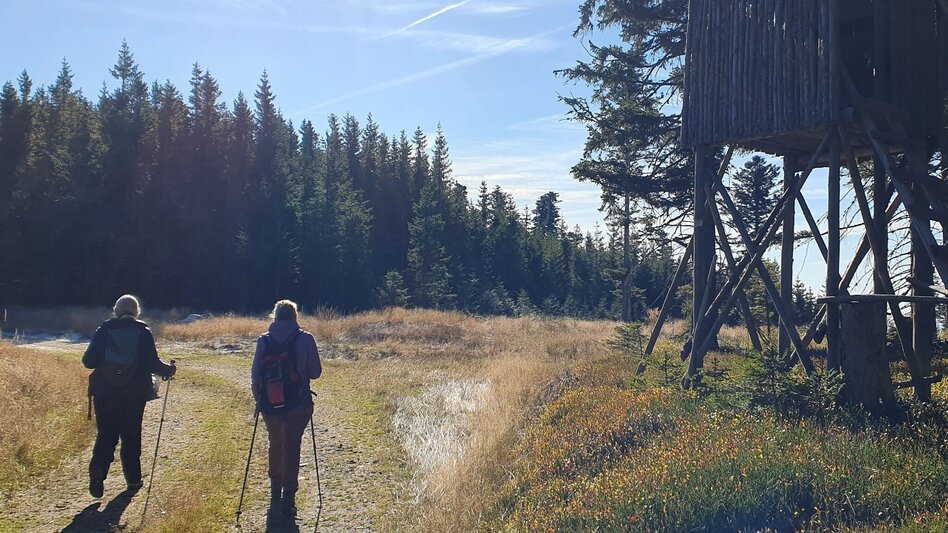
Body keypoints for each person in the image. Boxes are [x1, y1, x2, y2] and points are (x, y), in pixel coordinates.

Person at [82, 294, 176, 498]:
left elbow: (88, 361)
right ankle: (133, 480)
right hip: (134, 393)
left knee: (106, 434)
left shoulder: (104, 330)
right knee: (131, 435)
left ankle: (98, 473)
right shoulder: (143, 331)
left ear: (116, 310)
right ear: (136, 311)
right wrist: (168, 370)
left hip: (104, 392)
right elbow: (152, 363)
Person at [251, 299, 322, 516]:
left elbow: (255, 376)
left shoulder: (264, 341)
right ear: (294, 317)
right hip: (298, 403)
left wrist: (260, 401)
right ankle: (288, 497)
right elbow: (315, 372)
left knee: (275, 443)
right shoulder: (305, 338)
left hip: (270, 403)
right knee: (292, 446)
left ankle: (275, 490)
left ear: (274, 316)